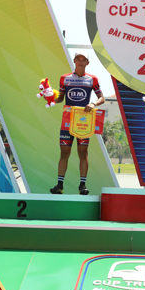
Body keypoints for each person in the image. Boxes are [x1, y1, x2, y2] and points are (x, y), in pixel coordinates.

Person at [50, 52, 104, 196]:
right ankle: (59, 185)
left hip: (84, 121)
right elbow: (60, 98)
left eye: (83, 59)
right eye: (78, 59)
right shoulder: (65, 78)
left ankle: (82, 185)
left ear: (87, 62)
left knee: (83, 152)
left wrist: (93, 103)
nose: (80, 62)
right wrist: (51, 98)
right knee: (64, 152)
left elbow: (102, 98)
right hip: (68, 120)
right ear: (74, 61)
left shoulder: (92, 79)